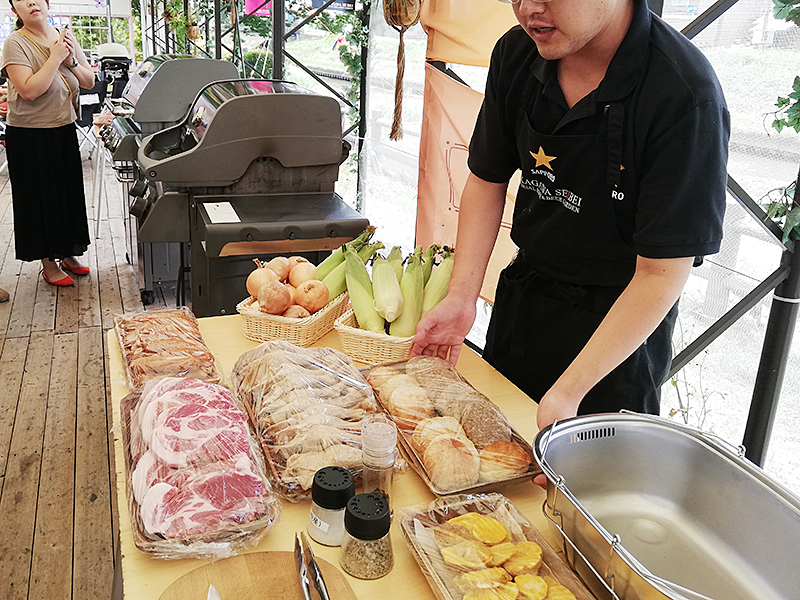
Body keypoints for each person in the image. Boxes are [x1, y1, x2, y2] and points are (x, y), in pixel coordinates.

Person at [411, 0, 730, 431]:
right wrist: (461, 297)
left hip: (615, 341)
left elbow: (661, 273)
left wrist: (569, 391)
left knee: (586, 490)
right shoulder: (517, 53)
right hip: (524, 308)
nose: (528, 9)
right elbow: (487, 179)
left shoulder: (683, 94)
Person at [1, 0, 96, 286]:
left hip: (63, 126)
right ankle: (47, 262)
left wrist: (71, 60)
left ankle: (68, 253)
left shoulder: (64, 35)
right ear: (14, 10)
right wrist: (55, 57)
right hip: (30, 134)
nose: (31, 2)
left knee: (68, 195)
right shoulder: (15, 43)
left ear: (46, 3)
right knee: (39, 200)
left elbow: (89, 81)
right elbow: (29, 90)